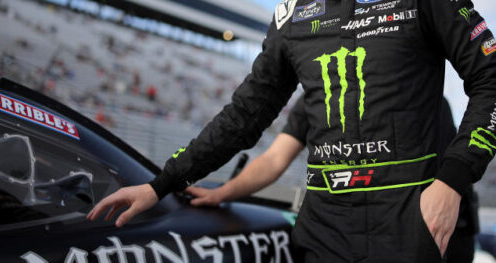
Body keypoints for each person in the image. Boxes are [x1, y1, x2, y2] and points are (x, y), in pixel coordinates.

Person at [87, 0, 496, 261]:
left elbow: (495, 77)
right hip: (322, 232)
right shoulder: (292, 17)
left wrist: (452, 182)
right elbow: (244, 117)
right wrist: (161, 184)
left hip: (408, 226)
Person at [184, 96, 480, 262]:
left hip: (443, 231)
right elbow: (275, 159)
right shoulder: (315, 92)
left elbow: (440, 177)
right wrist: (223, 193)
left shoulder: (417, 86)